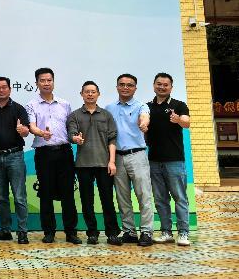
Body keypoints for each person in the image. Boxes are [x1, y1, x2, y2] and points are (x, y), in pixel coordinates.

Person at [26, 67, 80, 244]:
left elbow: (71, 128)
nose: (46, 83)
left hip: (64, 152)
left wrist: (75, 137)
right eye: (42, 80)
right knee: (46, 193)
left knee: (67, 193)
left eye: (49, 80)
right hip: (44, 154)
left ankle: (71, 232)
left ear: (53, 82)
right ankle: (49, 232)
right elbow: (32, 126)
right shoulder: (31, 105)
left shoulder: (65, 104)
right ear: (36, 83)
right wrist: (41, 133)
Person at [67, 81, 120, 246]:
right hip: (83, 165)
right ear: (81, 94)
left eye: (93, 91)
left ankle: (112, 233)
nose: (90, 94)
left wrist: (112, 161)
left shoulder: (106, 115)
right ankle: (92, 233)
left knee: (107, 200)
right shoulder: (75, 115)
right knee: (87, 201)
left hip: (104, 164)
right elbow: (71, 134)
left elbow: (112, 139)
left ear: (98, 94)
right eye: (87, 92)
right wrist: (76, 138)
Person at [105, 73, 155, 247]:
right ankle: (129, 232)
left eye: (130, 85)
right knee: (122, 197)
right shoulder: (109, 108)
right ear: (117, 87)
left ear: (135, 88)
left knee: (144, 195)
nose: (125, 87)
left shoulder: (141, 106)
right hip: (117, 157)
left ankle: (146, 232)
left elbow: (145, 117)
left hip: (137, 156)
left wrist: (144, 124)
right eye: (122, 84)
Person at [147, 72, 191, 246]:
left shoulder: (179, 105)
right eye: (159, 84)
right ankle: (166, 232)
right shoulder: (147, 107)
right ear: (154, 85)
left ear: (171, 87)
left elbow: (187, 123)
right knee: (160, 199)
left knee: (180, 198)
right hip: (154, 161)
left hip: (175, 161)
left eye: (166, 85)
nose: (162, 87)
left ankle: (183, 233)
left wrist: (178, 119)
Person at [0, 76, 31, 244]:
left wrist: (23, 130)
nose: (1, 90)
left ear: (10, 89)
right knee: (1, 196)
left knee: (19, 196)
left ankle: (22, 231)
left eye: (4, 87)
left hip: (15, 156)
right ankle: (5, 230)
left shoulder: (19, 109)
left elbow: (26, 131)